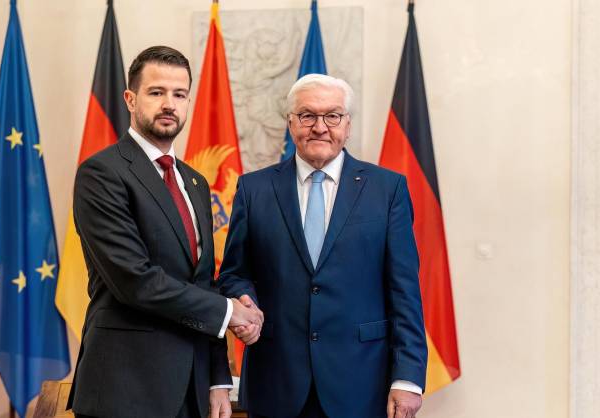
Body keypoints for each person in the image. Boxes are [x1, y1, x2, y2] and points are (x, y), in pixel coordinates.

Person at [68, 46, 263, 418]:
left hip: (192, 390)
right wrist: (230, 312)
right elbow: (134, 280)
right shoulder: (102, 173)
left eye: (179, 94)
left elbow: (202, 283)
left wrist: (217, 378)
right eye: (156, 92)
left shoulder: (195, 183)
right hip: (125, 390)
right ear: (130, 99)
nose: (169, 104)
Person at [218, 74, 428, 418]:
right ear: (290, 123)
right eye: (307, 115)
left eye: (332, 116)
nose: (320, 127)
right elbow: (234, 273)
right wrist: (244, 299)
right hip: (276, 381)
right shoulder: (254, 189)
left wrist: (408, 378)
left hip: (362, 383)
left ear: (347, 125)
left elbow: (404, 290)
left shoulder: (387, 190)